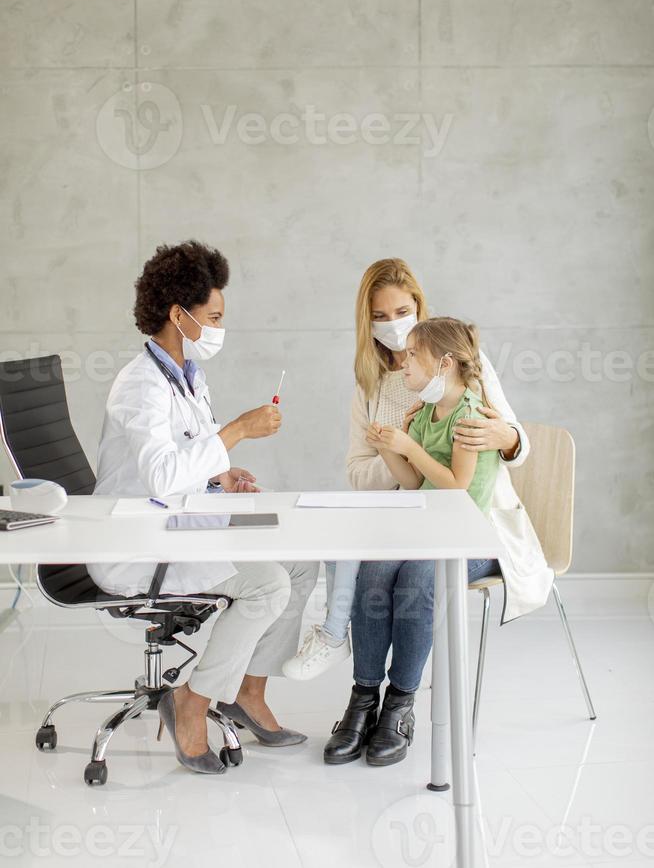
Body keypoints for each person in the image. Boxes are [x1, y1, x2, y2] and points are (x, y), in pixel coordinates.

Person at [88, 240, 319, 773]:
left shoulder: (186, 375)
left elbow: (186, 458)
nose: (219, 327)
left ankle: (245, 691)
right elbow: (162, 476)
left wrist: (221, 475)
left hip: (178, 525)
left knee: (303, 562)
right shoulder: (140, 386)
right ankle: (192, 700)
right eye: (213, 316)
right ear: (178, 314)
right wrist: (237, 431)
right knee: (270, 584)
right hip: (138, 545)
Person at [322, 258, 552, 767]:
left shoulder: (463, 370)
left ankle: (400, 704)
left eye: (403, 311)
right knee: (375, 570)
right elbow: (366, 474)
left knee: (421, 580)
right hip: (414, 524)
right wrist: (391, 447)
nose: (394, 325)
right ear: (368, 321)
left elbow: (490, 462)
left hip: (474, 528)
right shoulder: (376, 385)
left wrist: (505, 436)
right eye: (381, 315)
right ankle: (363, 698)